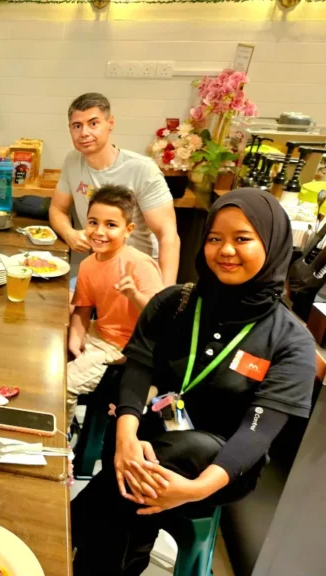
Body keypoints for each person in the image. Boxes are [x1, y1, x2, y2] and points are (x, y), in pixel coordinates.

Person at [71, 188, 316, 576]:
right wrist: (126, 437)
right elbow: (138, 368)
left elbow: (256, 434)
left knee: (173, 457)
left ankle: (74, 521)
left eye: (242, 239)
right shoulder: (175, 303)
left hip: (224, 465)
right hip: (152, 436)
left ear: (272, 245)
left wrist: (196, 489)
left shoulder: (289, 341)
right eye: (215, 238)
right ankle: (114, 549)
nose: (225, 250)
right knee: (136, 479)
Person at [49, 92, 180, 286]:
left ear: (110, 123)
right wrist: (69, 233)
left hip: (140, 273)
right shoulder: (73, 161)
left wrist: (164, 294)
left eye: (93, 123)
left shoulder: (142, 169)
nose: (84, 133)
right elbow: (57, 209)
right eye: (77, 126)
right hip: (101, 267)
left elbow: (168, 235)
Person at [67, 185, 163, 424]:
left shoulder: (139, 264)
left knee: (64, 384)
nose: (99, 231)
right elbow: (83, 308)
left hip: (126, 347)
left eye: (111, 225)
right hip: (100, 333)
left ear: (128, 230)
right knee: (50, 344)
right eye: (93, 222)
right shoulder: (88, 265)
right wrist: (74, 338)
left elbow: (161, 318)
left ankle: (61, 439)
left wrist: (133, 295)